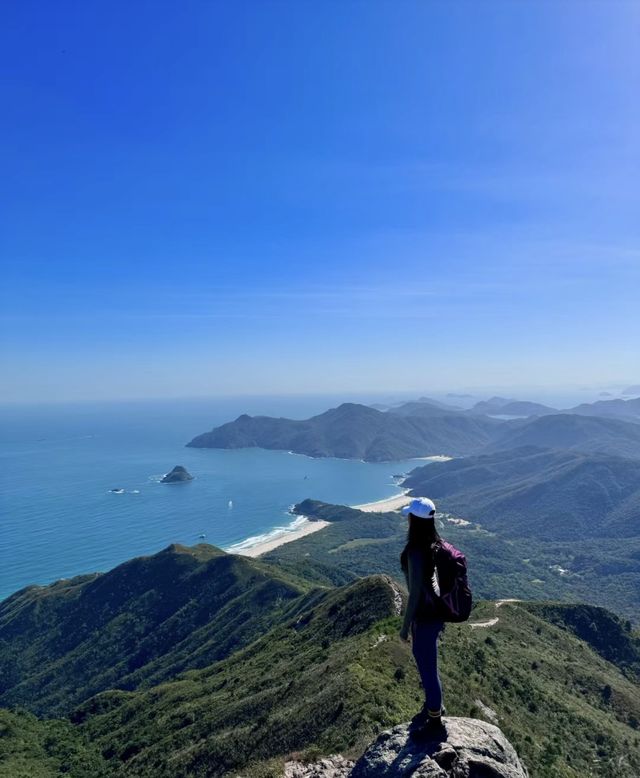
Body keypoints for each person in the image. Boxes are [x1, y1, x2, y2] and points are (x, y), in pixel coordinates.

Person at [398, 496, 447, 735]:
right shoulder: (437, 545)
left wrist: (405, 628)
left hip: (424, 618)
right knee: (431, 664)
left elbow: (414, 594)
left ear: (413, 520)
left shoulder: (416, 552)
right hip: (437, 615)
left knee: (426, 667)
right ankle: (433, 706)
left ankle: (434, 719)